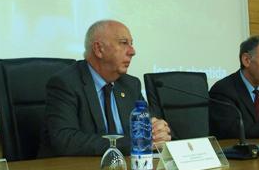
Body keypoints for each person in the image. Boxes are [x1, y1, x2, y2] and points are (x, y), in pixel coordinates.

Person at [40, 19, 172, 156]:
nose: (132, 51)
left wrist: (160, 132)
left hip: (125, 169)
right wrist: (133, 143)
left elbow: (150, 127)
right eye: (123, 43)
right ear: (98, 49)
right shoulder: (66, 83)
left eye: (131, 44)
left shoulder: (130, 85)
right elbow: (65, 140)